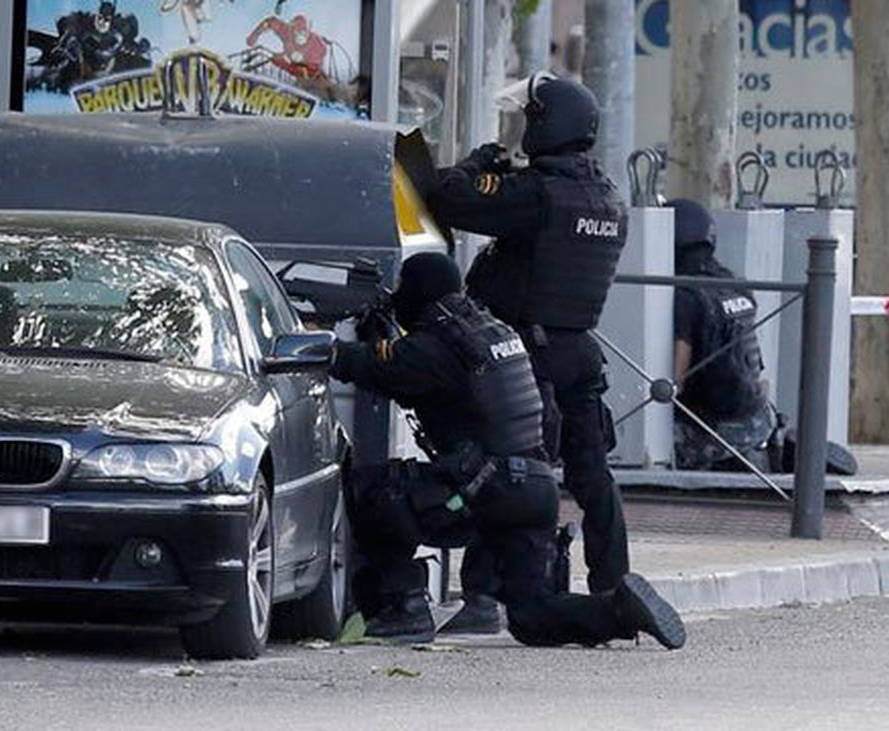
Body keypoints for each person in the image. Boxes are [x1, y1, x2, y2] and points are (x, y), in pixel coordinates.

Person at [330, 252, 684, 650]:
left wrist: (329, 345)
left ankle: (404, 608)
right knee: (531, 616)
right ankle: (618, 613)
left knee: (376, 492)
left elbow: (367, 367)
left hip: (480, 492)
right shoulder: (494, 330)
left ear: (419, 293)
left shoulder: (439, 346)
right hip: (533, 490)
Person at [427, 73, 630, 632]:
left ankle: (484, 600)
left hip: (525, 356)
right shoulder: (608, 196)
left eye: (528, 120)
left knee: (514, 472)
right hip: (581, 353)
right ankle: (615, 582)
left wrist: (480, 160)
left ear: (547, 125)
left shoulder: (540, 193)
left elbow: (447, 195)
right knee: (593, 476)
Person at [668, 198, 775, 471]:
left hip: (712, 431)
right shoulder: (736, 285)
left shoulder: (685, 296)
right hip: (759, 420)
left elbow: (673, 383)